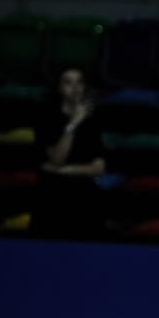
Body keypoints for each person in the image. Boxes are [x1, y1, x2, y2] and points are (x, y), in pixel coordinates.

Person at [33, 67, 107, 235]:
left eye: (79, 82)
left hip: (84, 196)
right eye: (68, 82)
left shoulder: (93, 122)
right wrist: (73, 124)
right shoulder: (46, 118)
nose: (75, 87)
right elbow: (57, 159)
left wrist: (65, 170)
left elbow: (99, 168)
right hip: (52, 196)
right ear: (59, 88)